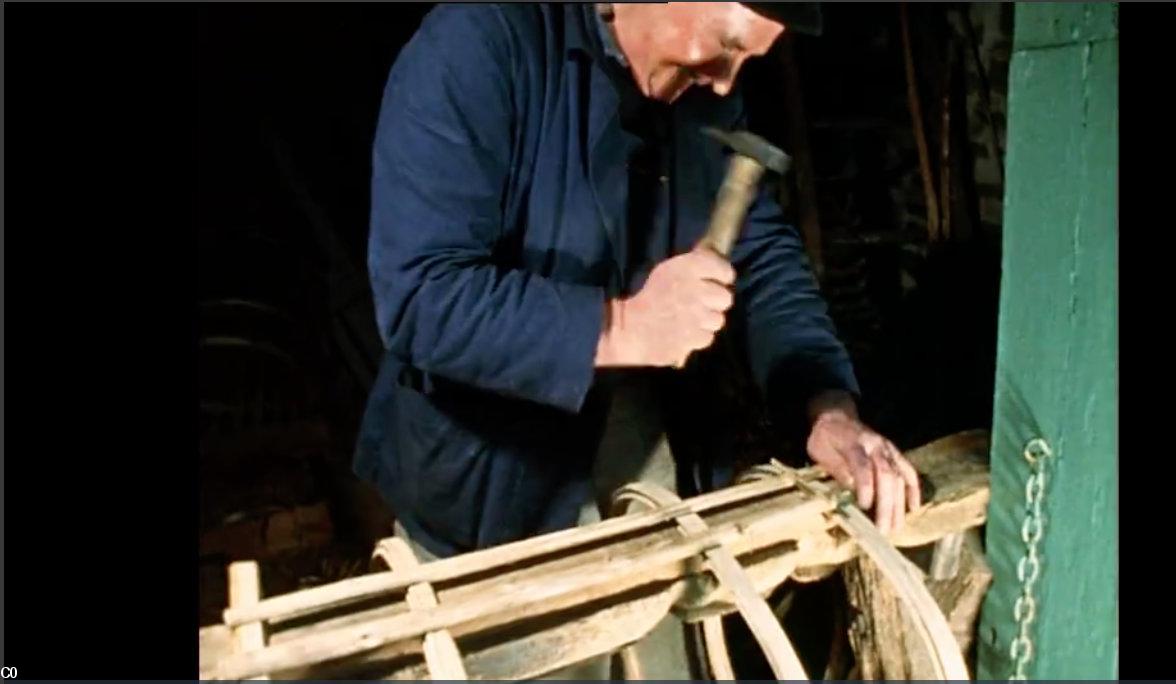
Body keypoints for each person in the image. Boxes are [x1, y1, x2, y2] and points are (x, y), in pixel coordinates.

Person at [353, 3, 921, 676]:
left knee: (671, 658)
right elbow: (422, 297)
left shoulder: (701, 92)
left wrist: (827, 406)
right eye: (726, 46)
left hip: (643, 464)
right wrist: (622, 325)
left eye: (748, 63)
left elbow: (762, 256)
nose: (725, 82)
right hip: (489, 492)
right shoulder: (478, 46)